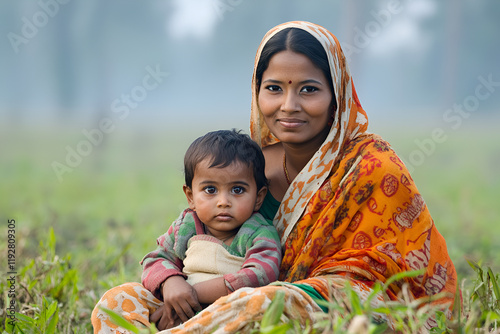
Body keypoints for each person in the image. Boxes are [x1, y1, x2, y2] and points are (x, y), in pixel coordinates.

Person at [92, 21, 458, 333]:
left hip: (337, 306)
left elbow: (393, 274)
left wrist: (205, 296)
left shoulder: (370, 166)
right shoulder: (246, 167)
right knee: (117, 301)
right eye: (274, 88)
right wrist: (174, 284)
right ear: (257, 92)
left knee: (268, 301)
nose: (289, 105)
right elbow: (182, 245)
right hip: (221, 299)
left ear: (337, 95)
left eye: (308, 89)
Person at [91, 130, 282, 332]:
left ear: (259, 197)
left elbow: (260, 275)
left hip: (227, 313)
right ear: (190, 196)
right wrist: (171, 283)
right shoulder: (187, 226)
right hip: (175, 306)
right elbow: (156, 258)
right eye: (210, 190)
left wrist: (191, 293)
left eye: (237, 190)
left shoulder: (259, 233)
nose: (223, 202)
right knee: (119, 297)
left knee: (258, 306)